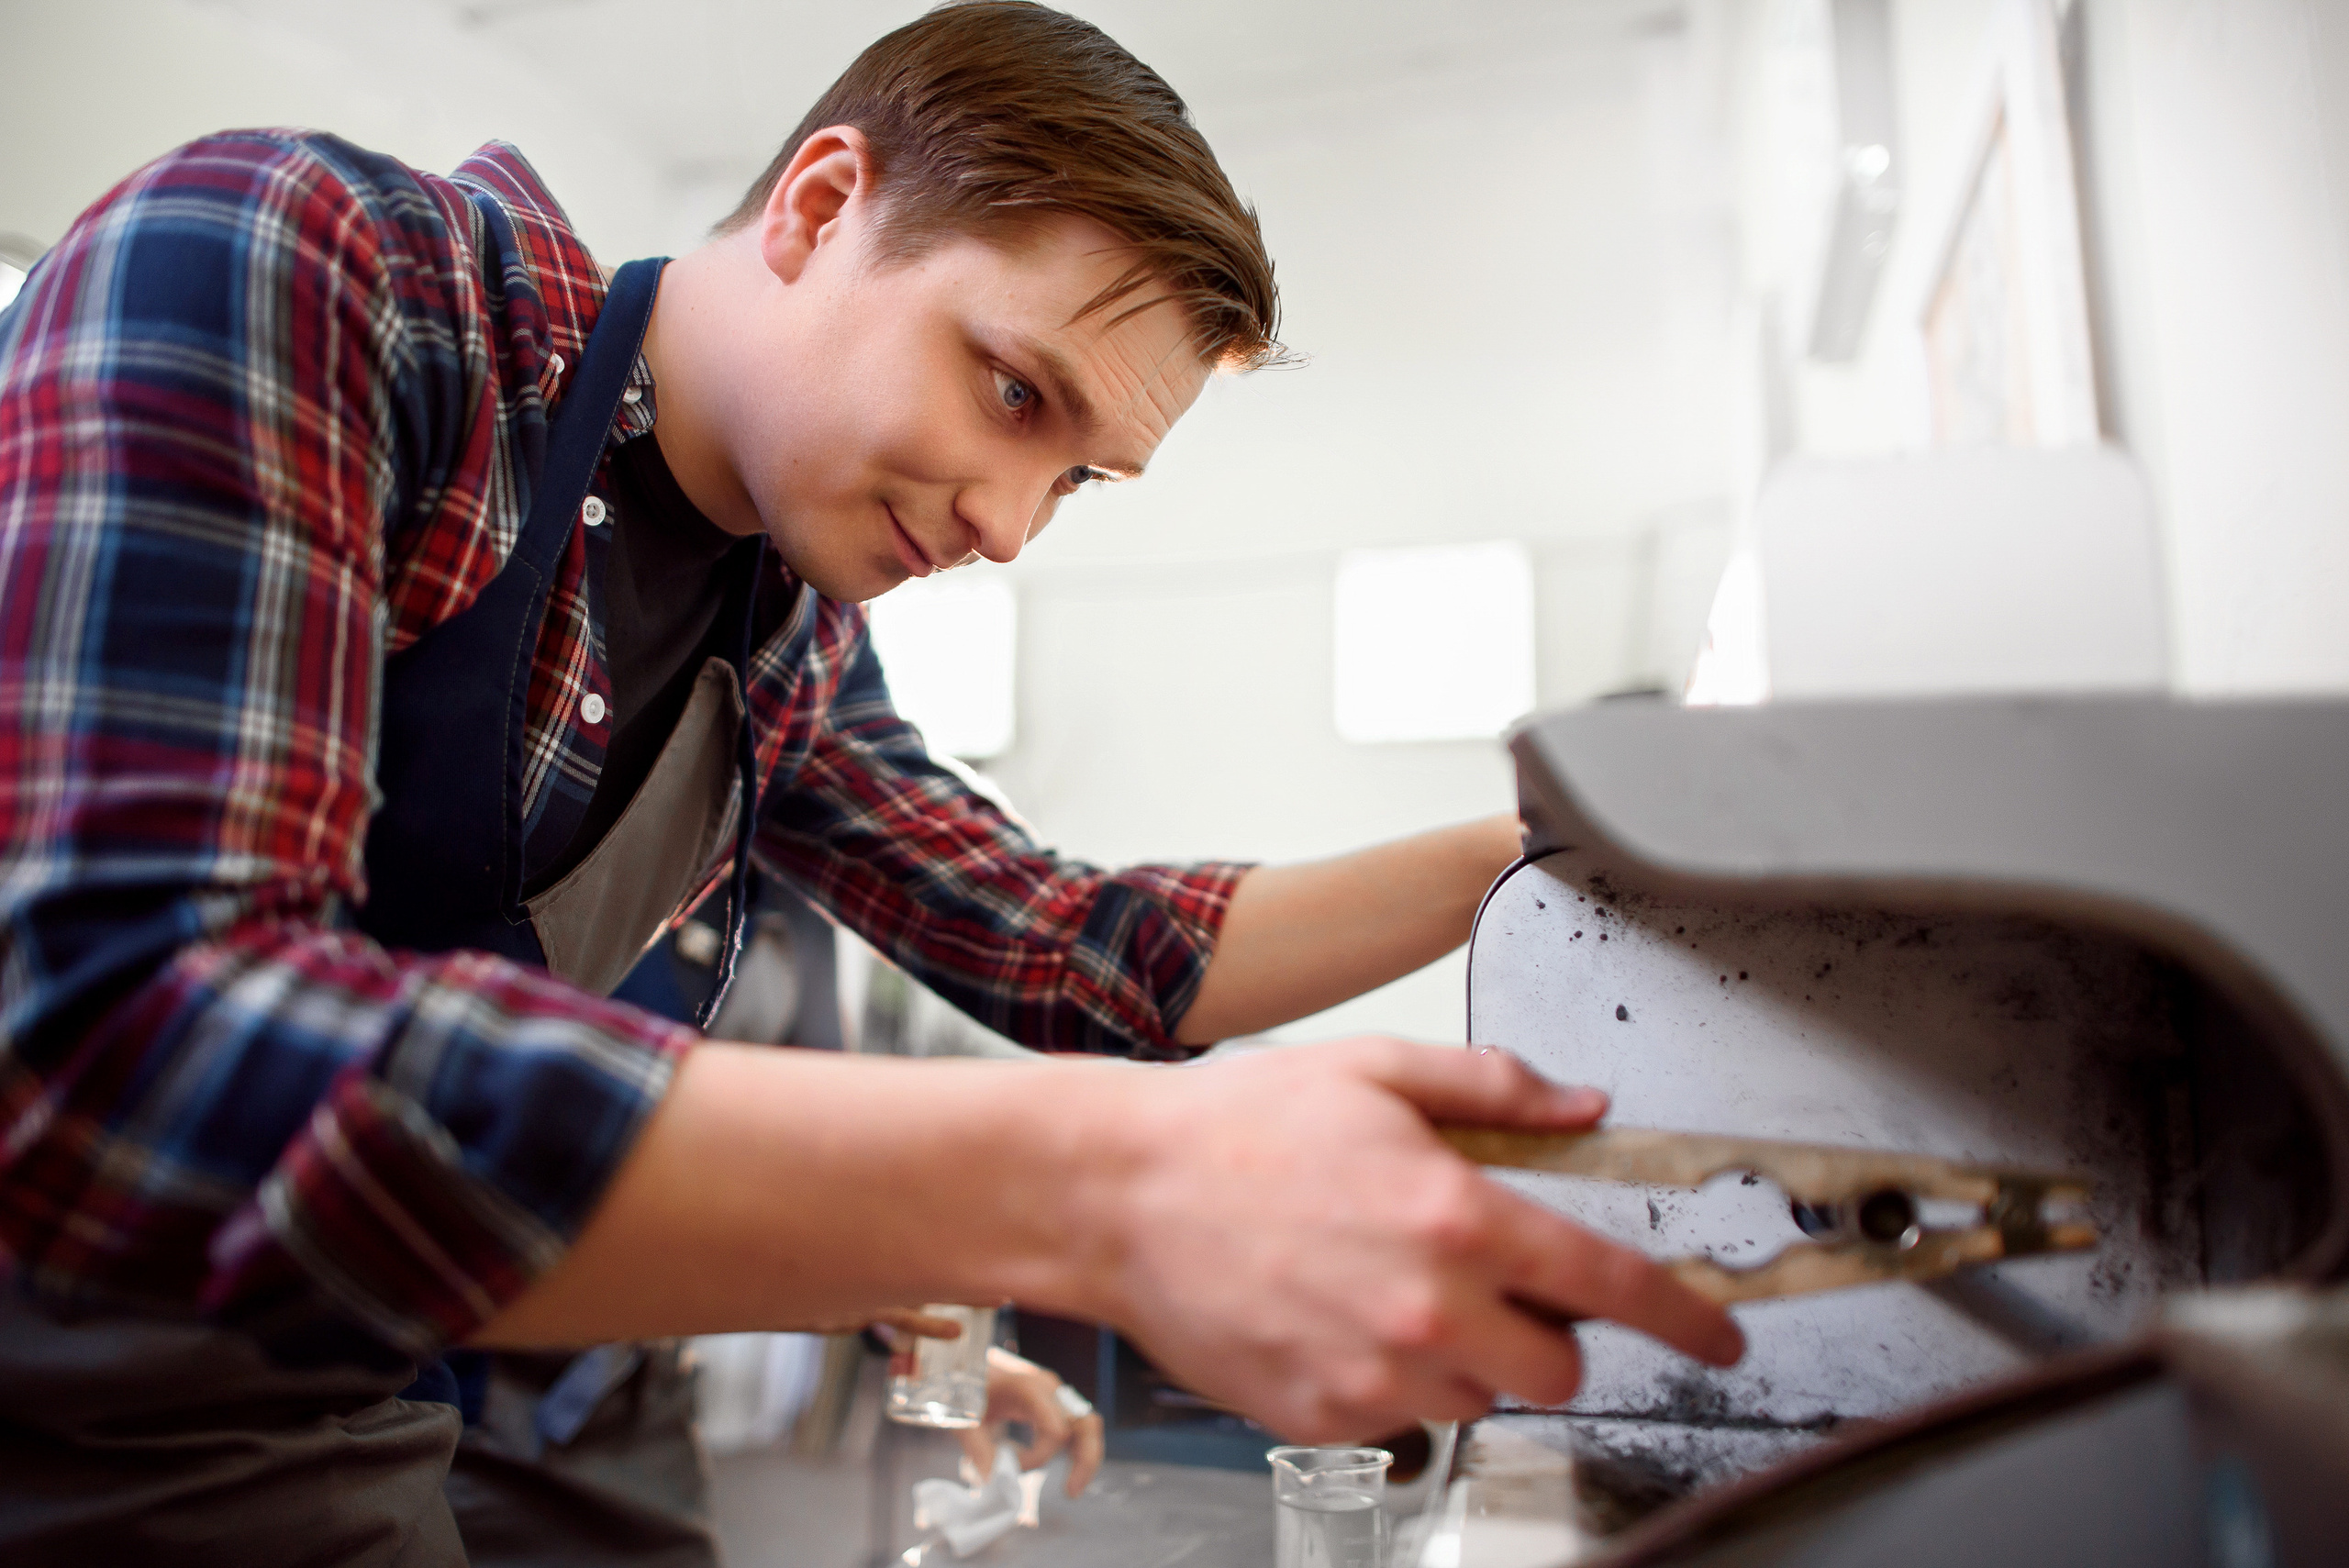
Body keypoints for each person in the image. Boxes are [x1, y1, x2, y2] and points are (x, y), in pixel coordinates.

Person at [0, 4, 1744, 1563]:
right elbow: (120, 1043)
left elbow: (1085, 953)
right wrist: (1112, 1192)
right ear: (822, 205)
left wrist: (1553, 844)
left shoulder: (784, 640)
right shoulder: (316, 269)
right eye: (1009, 393)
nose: (1002, 524)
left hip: (339, 1410)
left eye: (1073, 483)